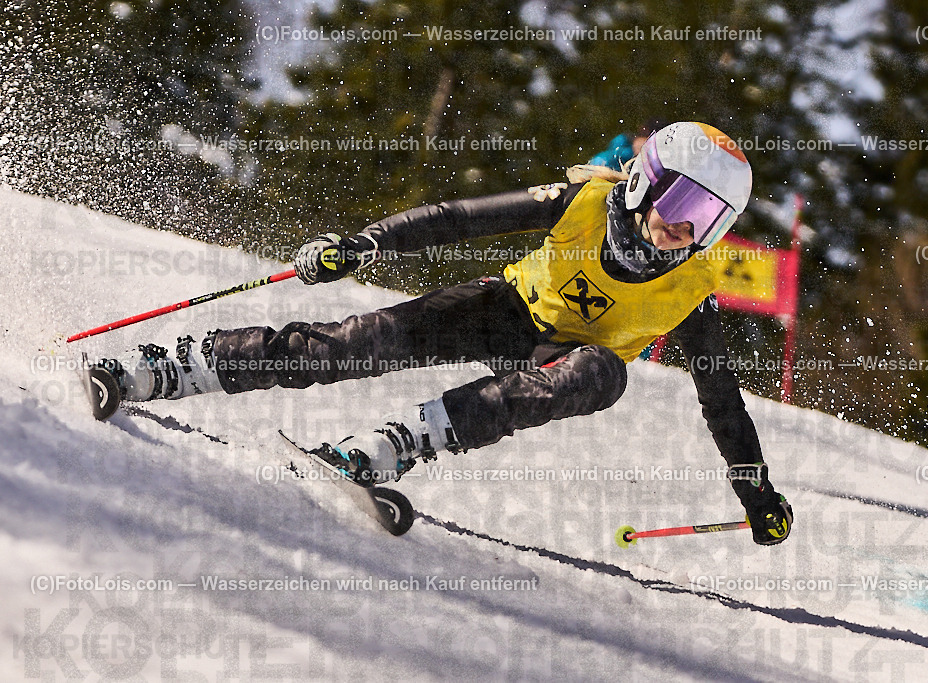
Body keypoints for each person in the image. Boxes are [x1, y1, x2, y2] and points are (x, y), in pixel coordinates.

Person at [100, 121, 792, 545]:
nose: (686, 227)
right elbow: (457, 217)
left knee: (602, 374)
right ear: (646, 182)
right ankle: (163, 366)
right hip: (508, 307)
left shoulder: (691, 292)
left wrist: (758, 497)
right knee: (351, 344)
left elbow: (722, 402)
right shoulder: (583, 199)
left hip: (564, 358)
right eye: (684, 202)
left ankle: (390, 446)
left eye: (710, 217)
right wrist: (364, 243)